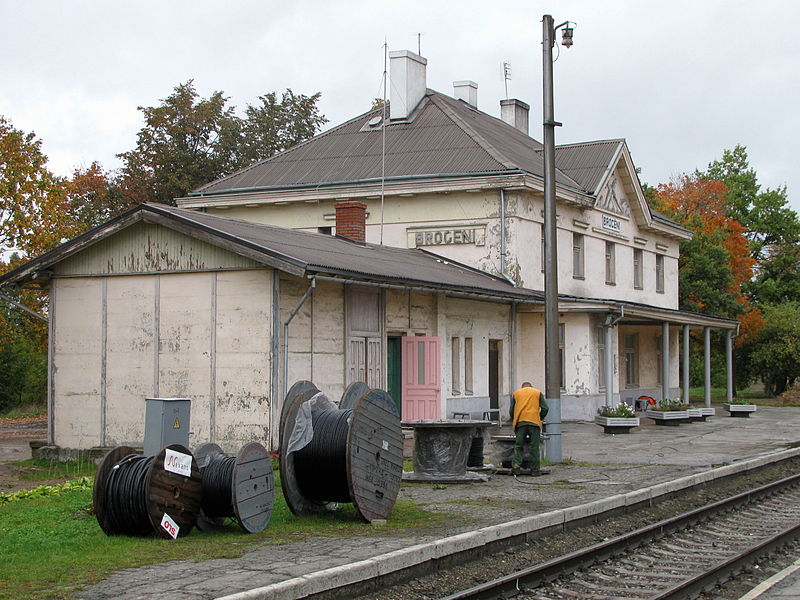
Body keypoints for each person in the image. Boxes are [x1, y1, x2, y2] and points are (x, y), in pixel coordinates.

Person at [509, 382, 549, 476]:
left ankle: (516, 468)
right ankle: (535, 470)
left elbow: (511, 410)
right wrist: (540, 417)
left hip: (521, 422)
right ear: (531, 387)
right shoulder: (537, 393)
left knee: (519, 446)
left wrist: (514, 419)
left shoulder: (516, 394)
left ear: (522, 387)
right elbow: (545, 408)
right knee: (534, 447)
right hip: (534, 422)